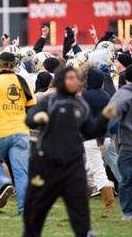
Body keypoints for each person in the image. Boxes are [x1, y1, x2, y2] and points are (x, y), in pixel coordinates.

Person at [23, 67, 116, 237]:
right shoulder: (49, 100)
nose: (75, 82)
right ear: (60, 80)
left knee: (79, 205)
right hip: (46, 163)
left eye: (76, 78)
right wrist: (37, 118)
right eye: (70, 78)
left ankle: (85, 233)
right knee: (37, 206)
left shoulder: (81, 104)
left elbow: (90, 131)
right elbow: (29, 118)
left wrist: (104, 118)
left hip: (73, 164)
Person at [0, 52, 37, 214]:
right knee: (21, 171)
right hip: (20, 131)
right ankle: (23, 208)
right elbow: (32, 109)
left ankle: (4, 182)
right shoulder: (24, 82)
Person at [81, 66, 115, 208]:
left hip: (92, 140)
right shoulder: (106, 95)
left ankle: (109, 201)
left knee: (98, 171)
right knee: (89, 171)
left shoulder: (86, 96)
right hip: (105, 137)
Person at [108, 64, 132, 221]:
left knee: (126, 179)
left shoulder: (124, 94)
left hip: (129, 144)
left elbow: (110, 115)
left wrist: (100, 133)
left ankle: (128, 213)